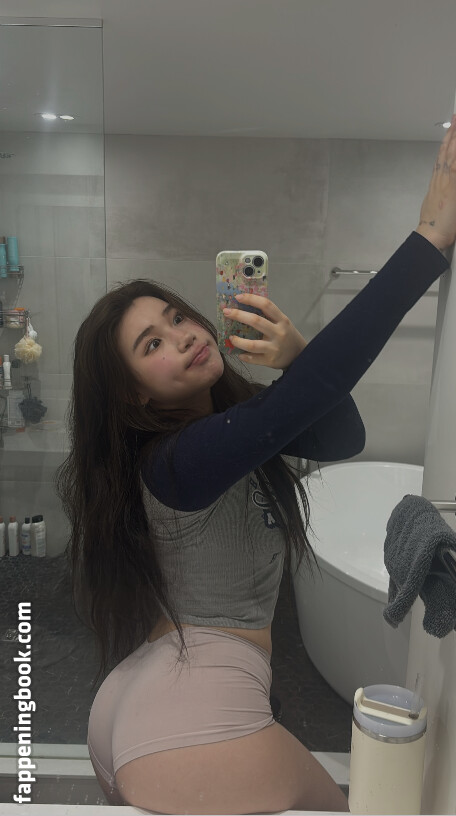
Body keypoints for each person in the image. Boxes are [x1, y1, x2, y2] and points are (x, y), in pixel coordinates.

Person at [55, 117, 456, 815]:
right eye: (152, 344)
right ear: (133, 395)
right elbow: (312, 394)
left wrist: (297, 356)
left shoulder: (220, 437)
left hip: (149, 700)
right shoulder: (177, 461)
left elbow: (343, 437)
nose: (183, 335)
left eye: (177, 318)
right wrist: (429, 238)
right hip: (188, 717)